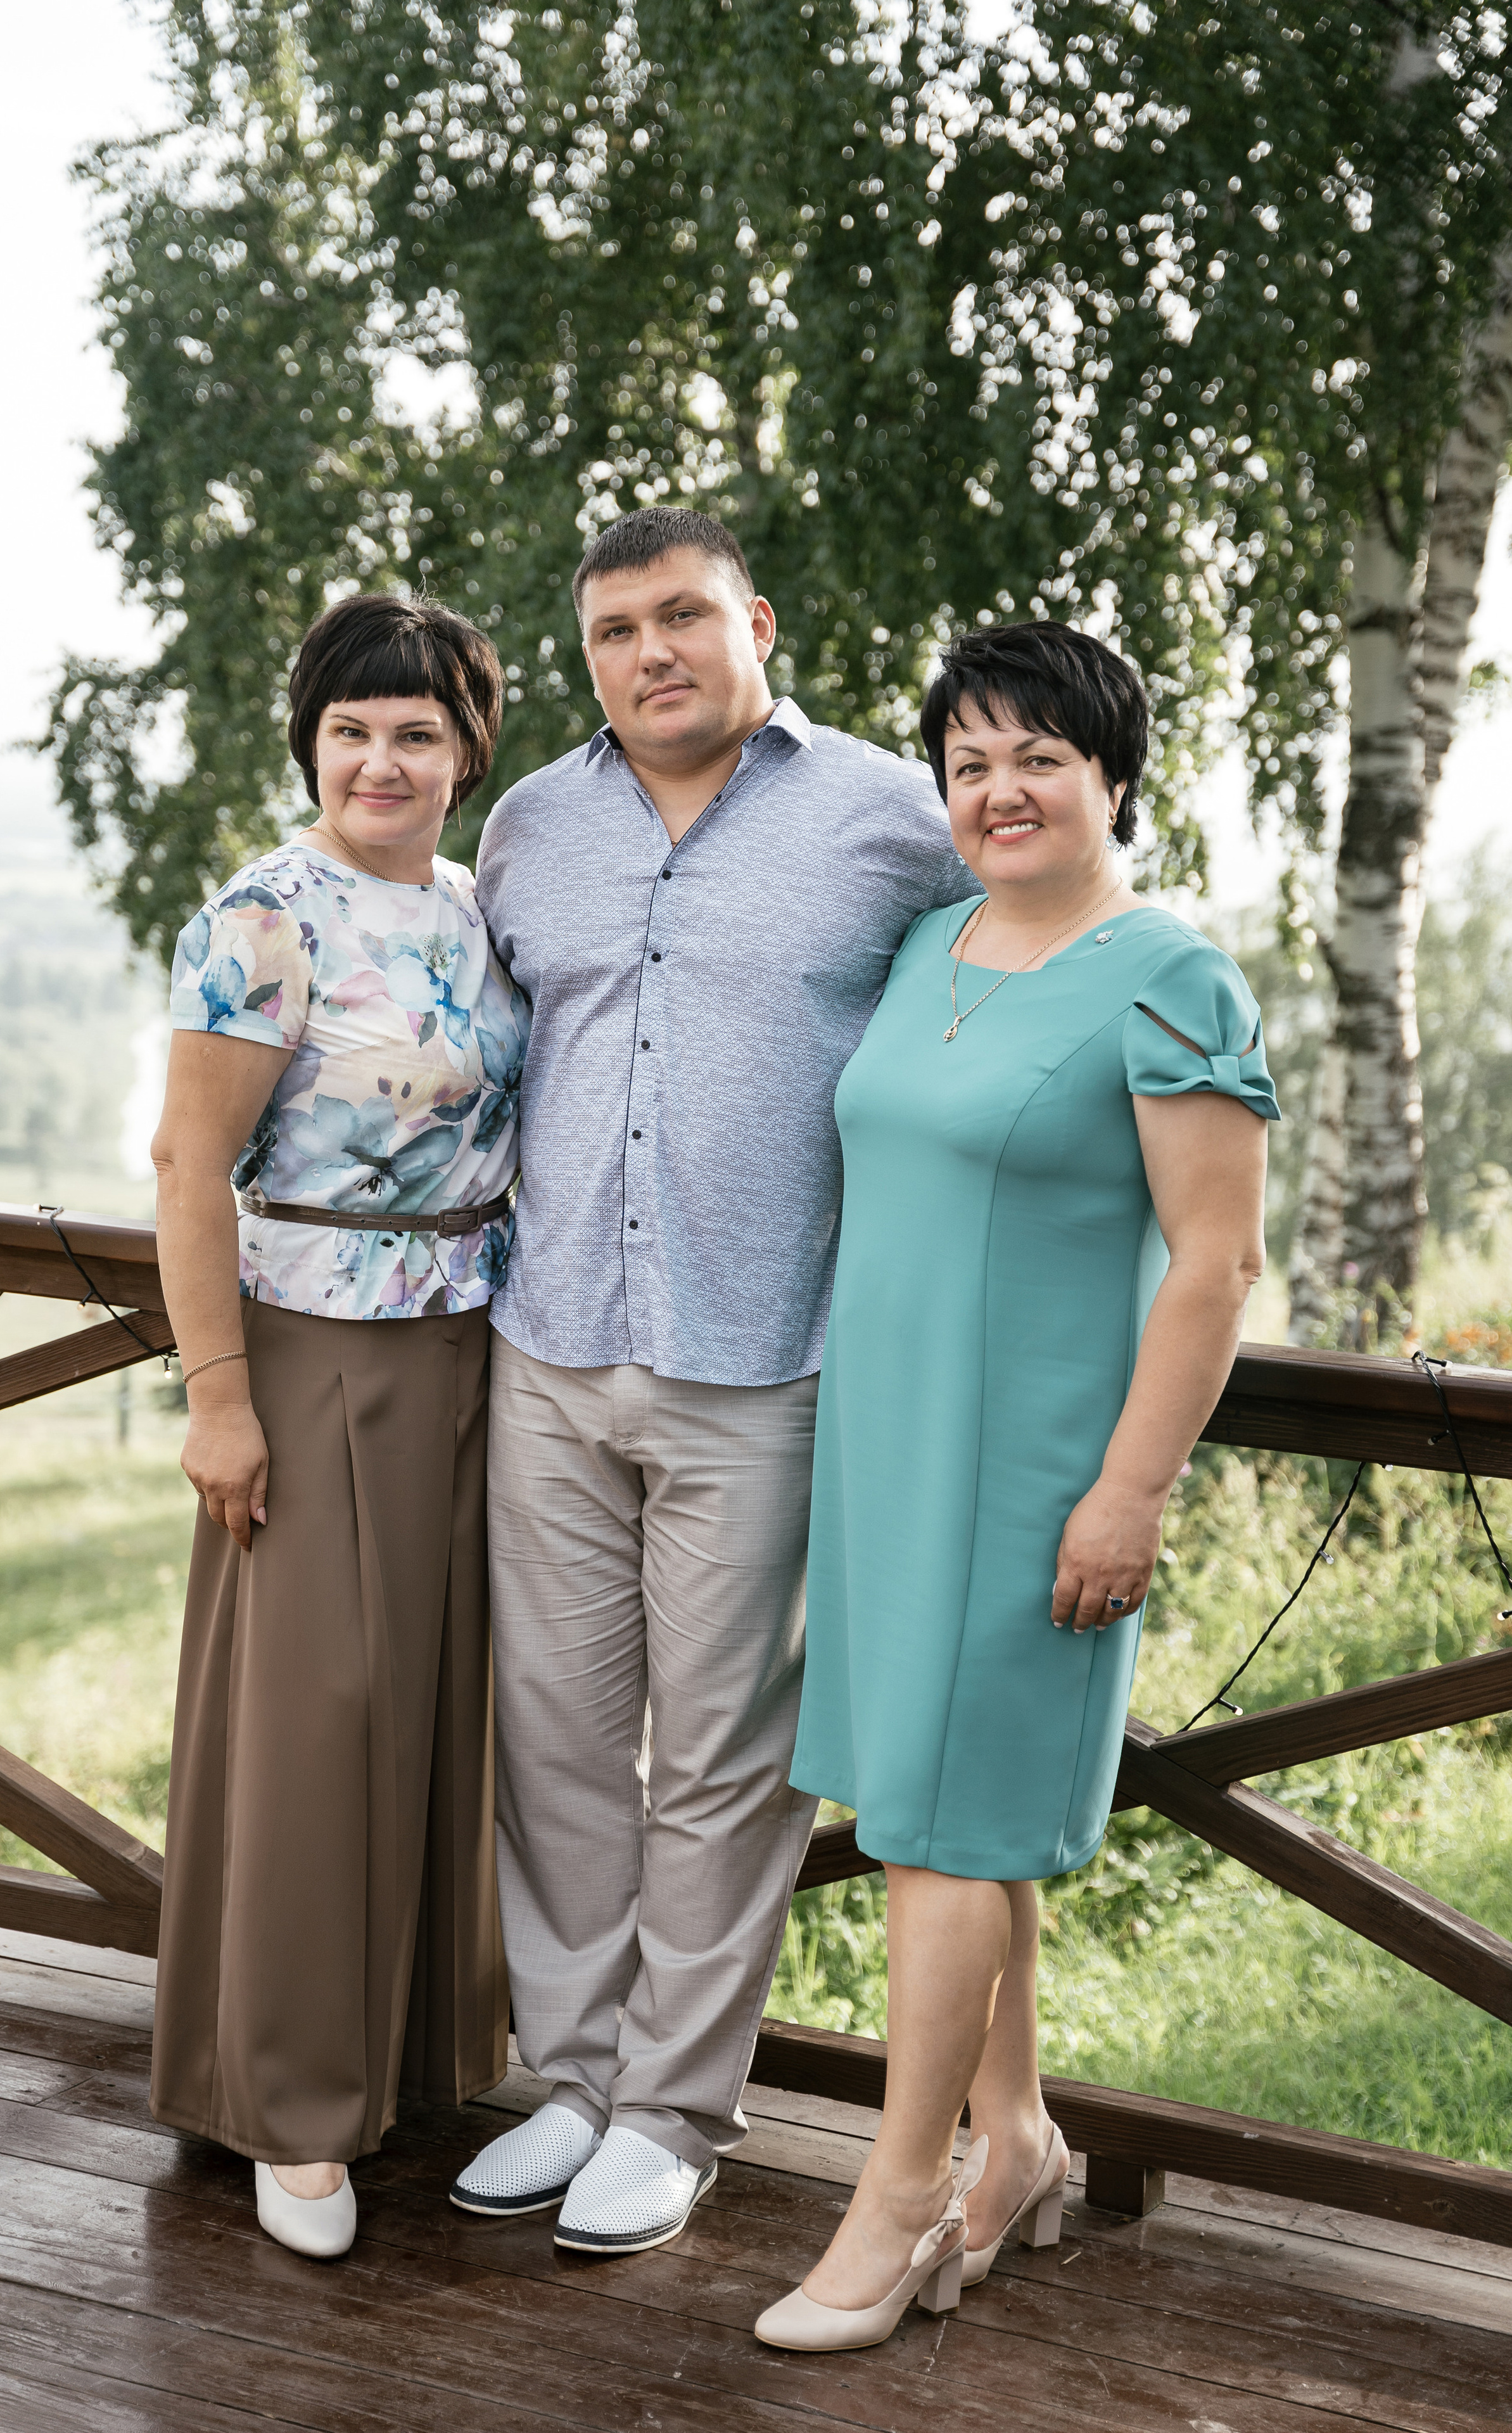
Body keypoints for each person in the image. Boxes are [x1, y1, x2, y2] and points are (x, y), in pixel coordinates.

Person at [449, 504, 972, 2254]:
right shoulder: (530, 829)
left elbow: (1034, 956)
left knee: (728, 1762)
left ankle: (674, 2110)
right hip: (548, 1348)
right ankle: (577, 2082)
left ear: (760, 621)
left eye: (682, 617)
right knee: (565, 1743)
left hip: (767, 1360)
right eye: (613, 632)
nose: (651, 654)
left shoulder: (892, 817)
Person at [753, 622, 1278, 2351]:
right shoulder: (925, 944)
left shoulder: (1171, 977)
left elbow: (1214, 1265)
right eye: (970, 760)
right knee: (936, 1815)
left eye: (1038, 754)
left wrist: (1131, 1493)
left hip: (1042, 1471)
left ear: (1112, 777)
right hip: (888, 1451)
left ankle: (897, 2204)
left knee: (944, 1833)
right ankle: (1018, 2137)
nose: (1001, 788)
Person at [148, 591, 527, 2259]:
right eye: (352, 728)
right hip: (312, 1354)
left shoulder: (474, 903)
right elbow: (185, 1165)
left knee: (448, 1710)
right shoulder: (264, 915)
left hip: (478, 1349)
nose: (382, 758)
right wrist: (219, 1397)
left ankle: (419, 2061)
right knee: (320, 1721)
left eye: (418, 731)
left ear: (467, 753)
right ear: (311, 739)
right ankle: (290, 2110)